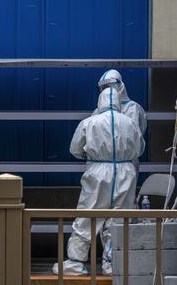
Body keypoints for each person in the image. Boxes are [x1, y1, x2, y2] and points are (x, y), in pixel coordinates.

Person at [53, 87, 145, 276]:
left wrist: (93, 154)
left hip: (97, 171)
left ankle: (74, 263)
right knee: (119, 218)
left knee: (87, 215)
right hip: (125, 171)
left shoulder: (89, 122)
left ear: (100, 101)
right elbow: (139, 149)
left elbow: (75, 149)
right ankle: (113, 264)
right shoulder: (129, 122)